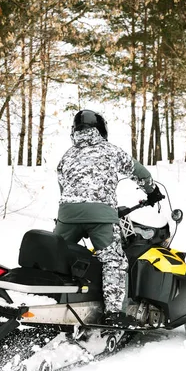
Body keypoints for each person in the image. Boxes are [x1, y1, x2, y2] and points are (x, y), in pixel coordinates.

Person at [54, 109, 164, 327]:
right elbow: (140, 173)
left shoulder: (67, 156)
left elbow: (62, 186)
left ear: (75, 131)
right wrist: (151, 191)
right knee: (113, 260)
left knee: (55, 255)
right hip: (101, 216)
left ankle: (50, 300)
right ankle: (114, 314)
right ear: (101, 129)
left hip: (67, 214)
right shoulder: (111, 151)